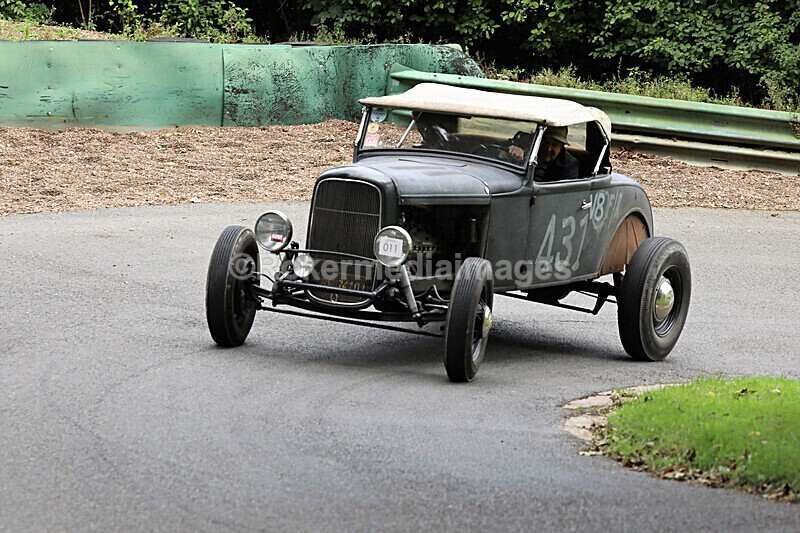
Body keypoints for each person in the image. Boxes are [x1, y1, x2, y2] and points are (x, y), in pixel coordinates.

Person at [504, 126, 579, 181]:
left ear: (561, 147)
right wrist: (512, 150)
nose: (548, 149)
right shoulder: (526, 146)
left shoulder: (569, 165)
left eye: (554, 145)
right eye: (545, 142)